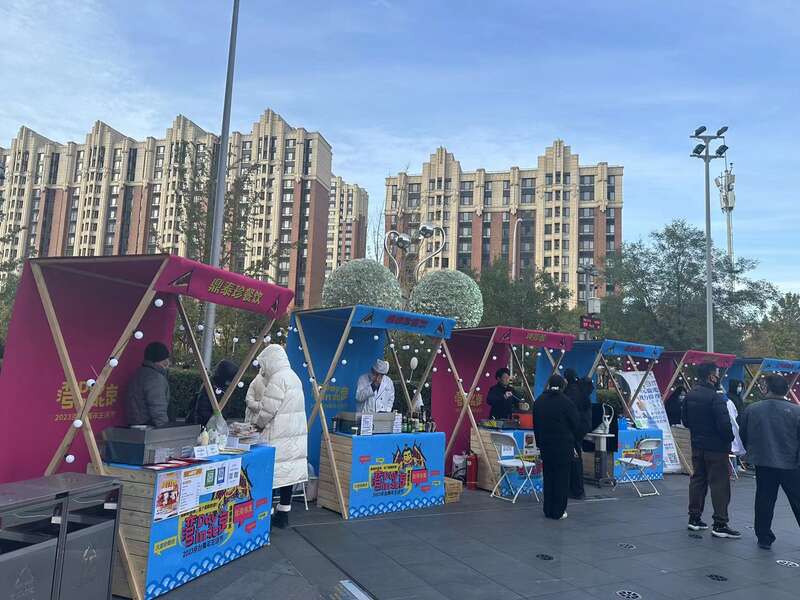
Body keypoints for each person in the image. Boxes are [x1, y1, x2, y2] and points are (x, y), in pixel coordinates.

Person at [245, 344, 308, 529]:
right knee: (287, 475)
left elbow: (268, 410)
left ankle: (266, 516)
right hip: (293, 435)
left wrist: (257, 426)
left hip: (277, 436)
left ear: (270, 361)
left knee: (270, 475)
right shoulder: (294, 377)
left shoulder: (278, 378)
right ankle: (283, 514)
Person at [739, 375, 800, 549]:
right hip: (791, 463)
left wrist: (754, 452)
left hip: (763, 462)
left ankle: (764, 537)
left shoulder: (752, 409)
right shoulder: (796, 411)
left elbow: (744, 435)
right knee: (797, 500)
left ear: (767, 388)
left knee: (764, 500)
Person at [681, 363, 739, 538]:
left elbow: (685, 421)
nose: (718, 377)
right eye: (717, 373)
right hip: (717, 448)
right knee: (719, 484)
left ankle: (694, 518)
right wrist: (729, 439)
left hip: (697, 445)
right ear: (711, 376)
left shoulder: (690, 395)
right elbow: (724, 425)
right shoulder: (716, 398)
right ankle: (720, 523)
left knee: (698, 480)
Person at [533, 374, 581, 520]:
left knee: (548, 478)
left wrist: (539, 443)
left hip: (546, 446)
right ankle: (558, 511)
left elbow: (536, 425)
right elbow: (576, 423)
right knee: (561, 479)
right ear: (562, 386)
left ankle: (548, 509)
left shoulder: (539, 401)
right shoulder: (566, 402)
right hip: (563, 446)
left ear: (549, 384)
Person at [125, 341, 171, 428]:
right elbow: (158, 407)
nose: (168, 362)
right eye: (166, 358)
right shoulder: (155, 377)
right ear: (163, 360)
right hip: (149, 426)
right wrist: (164, 429)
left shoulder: (139, 373)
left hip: (135, 424)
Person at [564, 368, 593, 500]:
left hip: (574, 429)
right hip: (582, 427)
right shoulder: (580, 389)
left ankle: (576, 490)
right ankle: (577, 489)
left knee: (574, 458)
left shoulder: (571, 392)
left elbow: (569, 412)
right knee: (576, 456)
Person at [186, 360, 239, 425]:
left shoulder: (222, 386)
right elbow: (202, 410)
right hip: (204, 423)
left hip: (213, 422)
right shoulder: (209, 386)